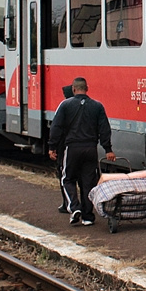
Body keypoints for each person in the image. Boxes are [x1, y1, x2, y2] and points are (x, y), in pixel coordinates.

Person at [47, 77, 115, 226]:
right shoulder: (97, 106)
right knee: (88, 182)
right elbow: (104, 129)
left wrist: (52, 147)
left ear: (73, 89)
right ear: (87, 88)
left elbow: (56, 127)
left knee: (67, 179)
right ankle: (88, 217)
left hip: (72, 148)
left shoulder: (65, 105)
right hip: (91, 149)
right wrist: (108, 149)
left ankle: (74, 207)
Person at [54, 83, 75, 214]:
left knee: (65, 176)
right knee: (85, 179)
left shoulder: (63, 107)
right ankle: (86, 206)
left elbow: (56, 128)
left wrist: (52, 146)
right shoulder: (88, 106)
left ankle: (68, 203)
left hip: (66, 147)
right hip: (86, 146)